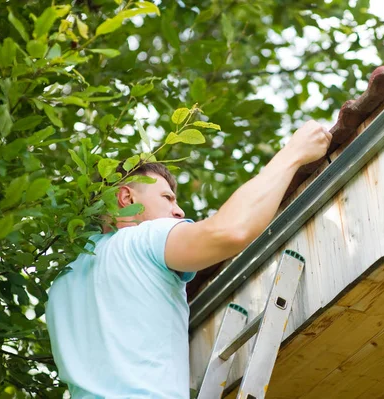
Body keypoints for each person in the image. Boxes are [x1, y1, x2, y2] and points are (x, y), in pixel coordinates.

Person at [45, 120, 332, 398]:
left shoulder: (64, 283)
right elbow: (230, 231)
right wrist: (293, 153)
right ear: (126, 199)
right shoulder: (143, 239)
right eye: (167, 198)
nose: (179, 211)